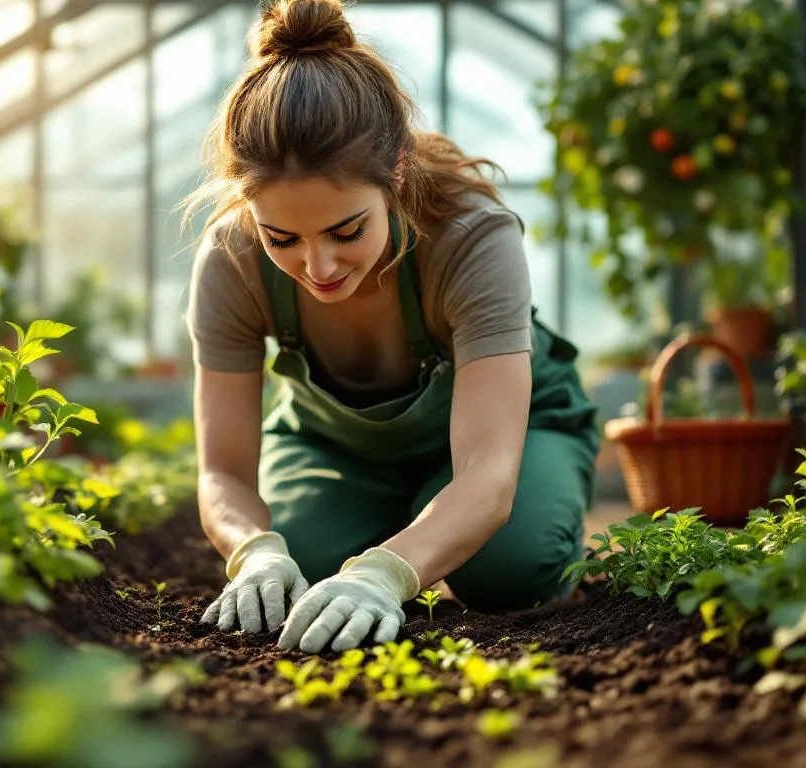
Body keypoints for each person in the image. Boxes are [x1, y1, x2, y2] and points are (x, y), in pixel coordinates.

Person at [182, 0, 600, 656]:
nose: (316, 266)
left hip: (500, 441)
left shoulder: (471, 239)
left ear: (396, 172)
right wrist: (255, 552)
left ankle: (486, 511)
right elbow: (223, 475)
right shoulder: (230, 262)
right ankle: (397, 522)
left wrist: (385, 573)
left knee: (510, 569)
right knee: (306, 569)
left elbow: (488, 474)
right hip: (337, 449)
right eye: (281, 237)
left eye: (346, 230)